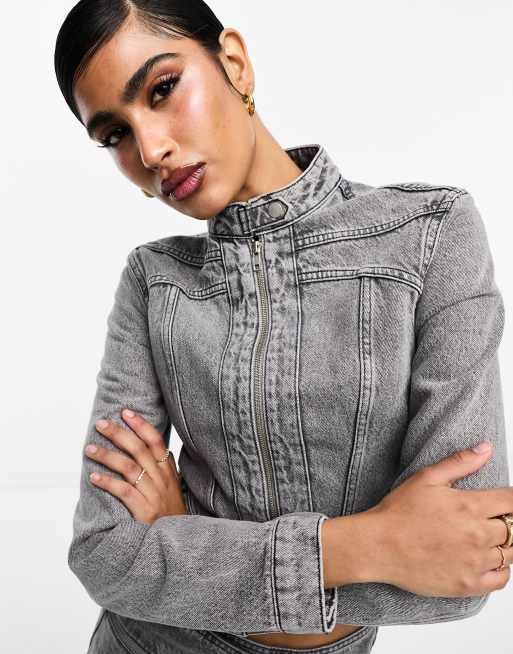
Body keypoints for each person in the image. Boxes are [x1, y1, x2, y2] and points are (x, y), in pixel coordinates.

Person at [54, 1, 512, 653]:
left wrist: (181, 546)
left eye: (162, 89)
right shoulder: (155, 281)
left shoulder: (428, 238)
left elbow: (465, 566)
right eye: (114, 135)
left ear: (234, 63)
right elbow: (106, 555)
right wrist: (377, 544)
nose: (150, 149)